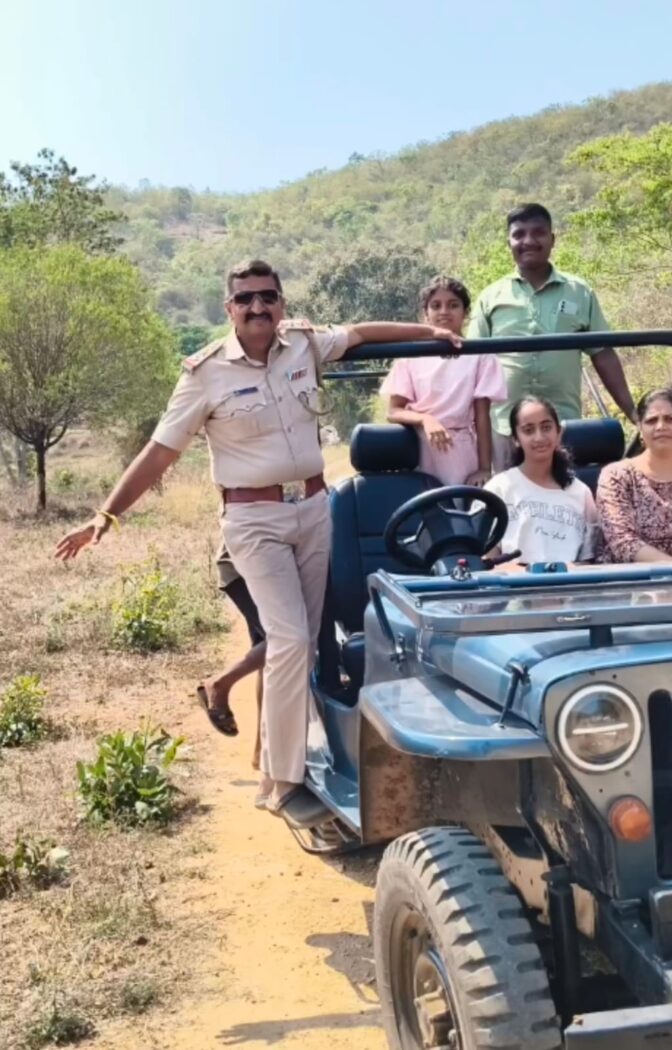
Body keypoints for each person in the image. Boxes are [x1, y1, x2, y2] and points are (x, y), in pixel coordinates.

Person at [54, 259, 462, 828]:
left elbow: (362, 334)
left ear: (281, 302)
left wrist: (432, 333)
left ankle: (283, 771)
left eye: (267, 296)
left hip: (314, 510)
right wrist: (106, 515)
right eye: (245, 299)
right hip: (253, 519)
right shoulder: (205, 373)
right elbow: (160, 451)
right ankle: (284, 784)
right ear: (229, 308)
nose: (257, 307)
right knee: (289, 638)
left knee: (307, 642)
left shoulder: (304, 344)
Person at [467, 203, 636, 471]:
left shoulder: (580, 292)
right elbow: (471, 363)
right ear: (509, 243)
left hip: (563, 425)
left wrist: (633, 413)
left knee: (562, 491)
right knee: (507, 494)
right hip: (504, 428)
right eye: (519, 234)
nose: (528, 241)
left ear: (552, 239)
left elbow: (602, 354)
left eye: (538, 232)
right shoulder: (491, 297)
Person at [380, 276, 506, 485]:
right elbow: (393, 411)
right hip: (420, 448)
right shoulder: (410, 357)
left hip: (461, 450)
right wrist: (425, 420)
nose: (444, 312)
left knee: (461, 500)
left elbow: (482, 417)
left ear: (466, 312)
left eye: (453, 305)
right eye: (436, 306)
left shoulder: (480, 356)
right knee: (424, 500)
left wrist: (484, 468)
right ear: (426, 314)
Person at [484, 396, 598, 565]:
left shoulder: (581, 492)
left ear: (558, 432)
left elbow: (589, 560)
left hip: (570, 580)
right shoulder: (498, 489)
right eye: (528, 430)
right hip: (512, 580)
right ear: (515, 439)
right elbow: (486, 559)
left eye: (546, 428)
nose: (539, 437)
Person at [597, 387, 672, 563]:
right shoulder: (617, 476)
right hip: (635, 577)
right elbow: (622, 542)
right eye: (651, 421)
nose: (661, 426)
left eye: (670, 419)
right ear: (640, 429)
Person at [197, 540, 265, 774]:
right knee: (287, 639)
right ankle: (219, 683)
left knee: (269, 652)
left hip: (265, 562)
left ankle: (262, 750)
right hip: (246, 562)